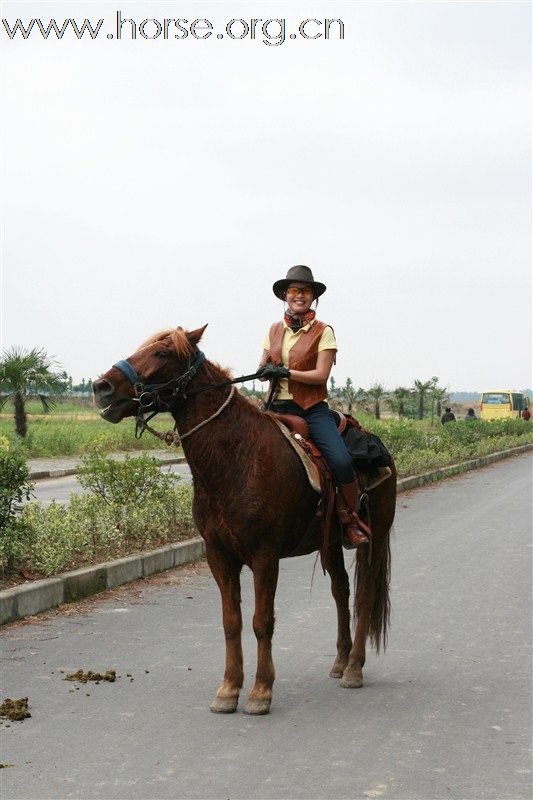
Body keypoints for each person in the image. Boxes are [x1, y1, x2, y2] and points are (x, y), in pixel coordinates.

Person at [257, 265, 370, 549]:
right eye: (294, 290)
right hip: (275, 407)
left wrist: (286, 373)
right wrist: (264, 370)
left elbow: (320, 375)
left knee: (341, 460)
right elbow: (262, 364)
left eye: (305, 291)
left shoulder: (324, 332)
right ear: (285, 295)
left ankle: (349, 519)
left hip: (311, 410)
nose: (299, 295)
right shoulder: (273, 330)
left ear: (312, 297)